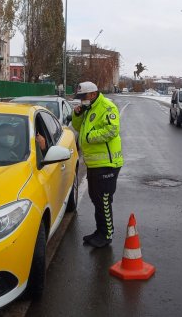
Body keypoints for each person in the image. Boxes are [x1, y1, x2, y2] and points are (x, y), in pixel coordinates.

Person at [71, 81, 123, 248]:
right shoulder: (89, 108)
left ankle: (106, 234)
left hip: (107, 163)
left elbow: (111, 130)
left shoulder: (107, 107)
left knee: (104, 200)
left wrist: (88, 137)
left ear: (92, 95)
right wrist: (78, 114)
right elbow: (77, 127)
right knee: (96, 198)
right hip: (94, 163)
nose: (81, 100)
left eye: (83, 97)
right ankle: (100, 231)